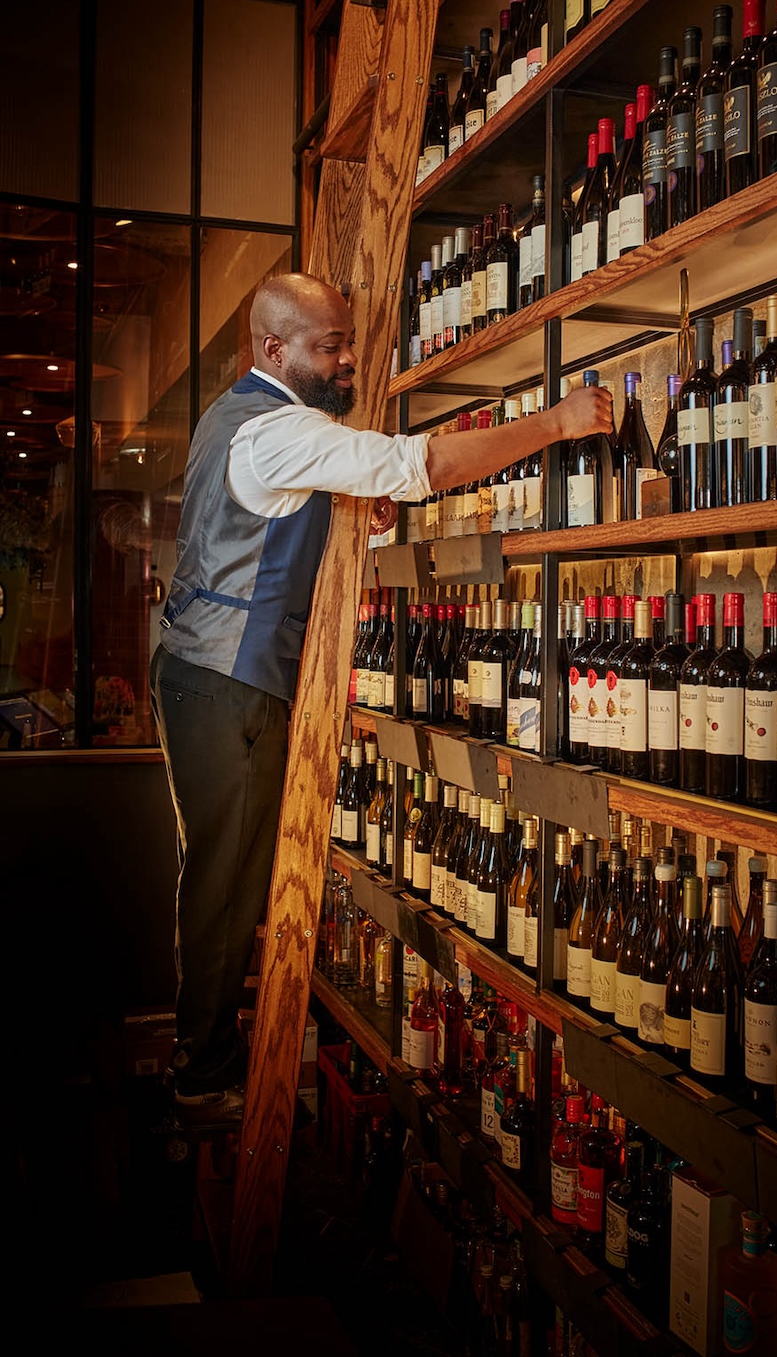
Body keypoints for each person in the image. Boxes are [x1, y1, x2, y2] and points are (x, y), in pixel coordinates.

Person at [150, 272, 613, 1130]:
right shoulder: (282, 430)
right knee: (225, 880)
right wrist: (556, 423)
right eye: (330, 347)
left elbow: (269, 516)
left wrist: (336, 510)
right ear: (275, 350)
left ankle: (203, 1053)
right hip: (225, 681)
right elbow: (421, 464)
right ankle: (199, 1071)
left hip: (199, 672)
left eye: (346, 341)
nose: (348, 359)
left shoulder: (234, 416)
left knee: (221, 871)